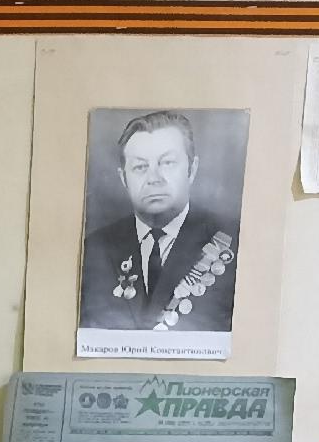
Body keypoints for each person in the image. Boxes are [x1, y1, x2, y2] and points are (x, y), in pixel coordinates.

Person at [77, 109, 236, 336]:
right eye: (140, 167)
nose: (154, 178)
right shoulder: (94, 249)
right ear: (124, 178)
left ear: (192, 170)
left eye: (168, 163)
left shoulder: (234, 242)